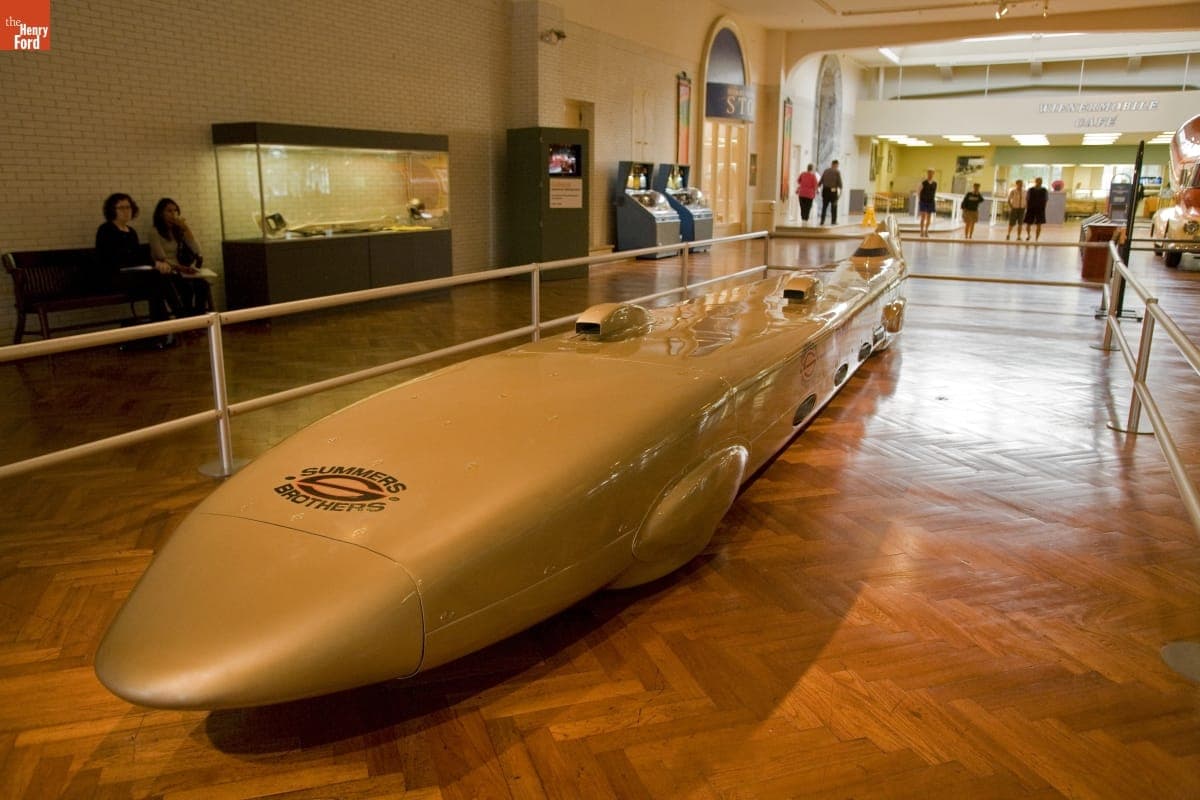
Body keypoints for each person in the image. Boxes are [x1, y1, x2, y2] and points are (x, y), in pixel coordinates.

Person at [95, 193, 182, 329]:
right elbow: (116, 258)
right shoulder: (106, 230)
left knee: (158, 282)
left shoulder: (131, 232)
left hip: (134, 275)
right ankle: (176, 322)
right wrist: (154, 264)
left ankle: (163, 327)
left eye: (128, 207)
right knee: (158, 281)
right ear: (112, 210)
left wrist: (155, 265)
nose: (126, 211)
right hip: (114, 277)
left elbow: (138, 256)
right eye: (121, 208)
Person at [149, 197, 213, 316]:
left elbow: (197, 249)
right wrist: (180, 268)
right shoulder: (154, 231)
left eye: (175, 211)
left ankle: (198, 319)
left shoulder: (177, 231)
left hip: (183, 269)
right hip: (169, 271)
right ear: (160, 213)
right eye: (169, 211)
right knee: (186, 288)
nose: (173, 214)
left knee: (202, 285)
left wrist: (186, 228)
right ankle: (186, 321)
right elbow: (160, 257)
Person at [1024, 176, 1049, 241]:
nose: (1039, 182)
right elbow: (1027, 199)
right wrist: (1027, 207)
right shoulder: (1030, 190)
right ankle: (1028, 235)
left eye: (1040, 181)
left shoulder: (1044, 190)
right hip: (1031, 208)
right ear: (1035, 182)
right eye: (1038, 181)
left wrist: (1044, 208)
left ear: (1042, 182)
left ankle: (1036, 239)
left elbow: (1046, 199)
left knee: (1039, 224)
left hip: (1040, 209)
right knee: (1028, 223)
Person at [819, 159, 842, 225]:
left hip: (825, 190)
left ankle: (822, 221)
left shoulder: (826, 171)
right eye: (837, 165)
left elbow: (821, 180)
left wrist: (818, 186)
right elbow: (839, 182)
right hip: (833, 191)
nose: (837, 166)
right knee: (834, 207)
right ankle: (833, 221)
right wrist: (840, 188)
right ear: (836, 165)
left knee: (824, 207)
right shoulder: (837, 172)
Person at [917, 169, 937, 236]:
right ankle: (921, 231)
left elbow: (934, 193)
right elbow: (919, 192)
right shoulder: (923, 183)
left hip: (931, 202)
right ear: (927, 174)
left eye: (931, 173)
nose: (930, 174)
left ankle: (926, 230)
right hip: (923, 202)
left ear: (933, 174)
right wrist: (920, 200)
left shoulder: (935, 183)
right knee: (923, 217)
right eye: (929, 173)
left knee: (929, 217)